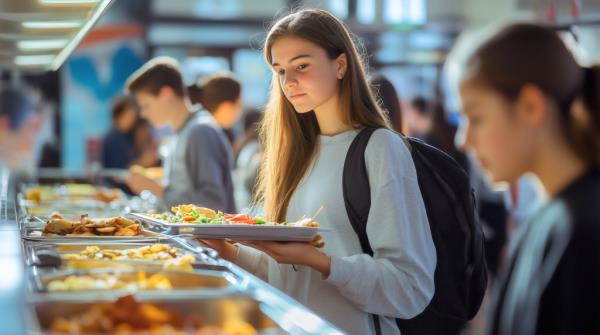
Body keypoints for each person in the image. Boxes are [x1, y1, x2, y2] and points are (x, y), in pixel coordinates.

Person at [202, 9, 436, 335]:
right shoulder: (296, 153)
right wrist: (228, 250)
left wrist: (321, 261)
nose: (288, 82)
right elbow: (289, 274)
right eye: (280, 70)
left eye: (301, 66)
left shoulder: (380, 147)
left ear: (340, 65)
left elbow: (410, 288)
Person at [456, 23, 600, 334]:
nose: (463, 140)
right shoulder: (551, 218)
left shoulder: (581, 231)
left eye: (476, 117)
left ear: (531, 106)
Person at [124, 57, 236, 213]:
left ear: (166, 94)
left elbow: (213, 204)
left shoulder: (200, 132)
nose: (143, 114)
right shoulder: (181, 133)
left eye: (146, 105)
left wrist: (157, 189)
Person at [101, 95, 138, 169]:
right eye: (130, 114)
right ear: (120, 115)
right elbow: (118, 171)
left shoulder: (128, 135)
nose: (134, 118)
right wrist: (145, 161)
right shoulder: (113, 139)